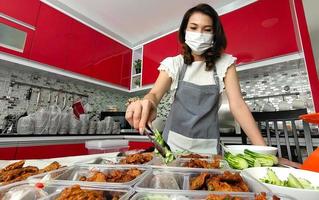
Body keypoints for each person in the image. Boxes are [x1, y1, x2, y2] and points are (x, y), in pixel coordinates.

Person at [125, 3, 266, 154]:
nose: (199, 34)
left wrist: (265, 152)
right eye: (193, 28)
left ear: (214, 34)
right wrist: (148, 103)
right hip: (172, 147)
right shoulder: (174, 64)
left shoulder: (225, 63)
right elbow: (154, 94)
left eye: (207, 30)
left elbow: (238, 106)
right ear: (185, 31)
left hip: (208, 149)